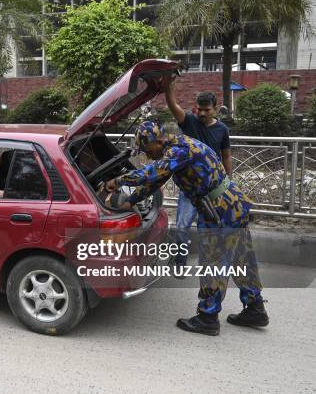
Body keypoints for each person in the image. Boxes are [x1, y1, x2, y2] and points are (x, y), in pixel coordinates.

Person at [105, 121, 268, 336]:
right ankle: (255, 308)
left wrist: (116, 182)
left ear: (157, 141)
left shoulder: (179, 150)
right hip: (233, 205)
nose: (146, 154)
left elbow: (151, 173)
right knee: (241, 258)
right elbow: (157, 179)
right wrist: (131, 200)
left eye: (146, 150)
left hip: (220, 210)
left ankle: (207, 317)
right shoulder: (178, 147)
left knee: (213, 262)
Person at [164, 79, 232, 266]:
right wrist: (169, 87)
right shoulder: (189, 122)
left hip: (213, 189)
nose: (202, 113)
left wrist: (229, 181)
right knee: (181, 227)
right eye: (199, 109)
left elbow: (226, 156)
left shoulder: (222, 130)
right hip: (189, 188)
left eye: (206, 110)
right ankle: (179, 261)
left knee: (211, 227)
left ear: (215, 109)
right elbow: (173, 106)